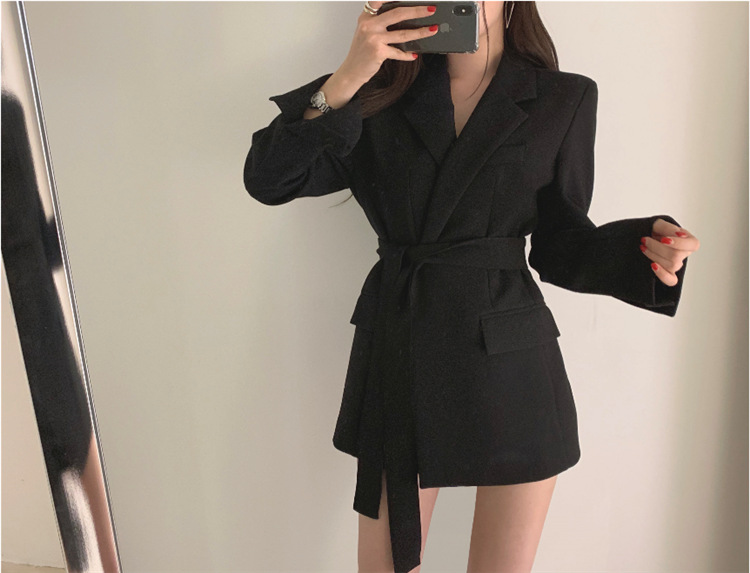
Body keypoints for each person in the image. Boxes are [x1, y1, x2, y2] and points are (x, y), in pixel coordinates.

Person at [243, 2, 700, 572]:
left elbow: (559, 244)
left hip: (512, 363)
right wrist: (346, 77)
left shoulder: (563, 98)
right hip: (402, 348)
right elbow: (268, 180)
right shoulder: (374, 89)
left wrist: (642, 250)